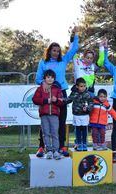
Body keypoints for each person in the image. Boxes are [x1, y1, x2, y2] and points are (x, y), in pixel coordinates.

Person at [35, 26, 79, 157]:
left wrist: (75, 34)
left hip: (61, 94)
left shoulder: (63, 60)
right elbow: (38, 79)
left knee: (61, 120)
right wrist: (46, 85)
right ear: (49, 51)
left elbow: (74, 49)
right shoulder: (43, 62)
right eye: (54, 50)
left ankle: (60, 146)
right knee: (46, 120)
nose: (56, 53)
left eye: (58, 51)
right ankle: (42, 147)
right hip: (46, 94)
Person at [32, 70, 63, 160]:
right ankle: (49, 150)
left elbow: (61, 102)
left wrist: (56, 100)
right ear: (44, 78)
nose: (50, 79)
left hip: (54, 115)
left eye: (52, 77)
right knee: (46, 133)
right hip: (44, 114)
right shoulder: (40, 89)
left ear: (54, 79)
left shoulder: (57, 89)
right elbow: (35, 100)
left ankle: (56, 151)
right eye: (48, 77)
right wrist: (46, 101)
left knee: (54, 133)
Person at [63, 77, 93, 151]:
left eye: (84, 86)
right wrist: (61, 100)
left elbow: (91, 103)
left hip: (85, 115)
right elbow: (68, 100)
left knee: (84, 130)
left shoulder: (87, 94)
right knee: (78, 130)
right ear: (77, 86)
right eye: (81, 86)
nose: (83, 88)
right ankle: (79, 144)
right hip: (76, 115)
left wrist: (88, 108)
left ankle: (84, 144)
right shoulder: (74, 93)